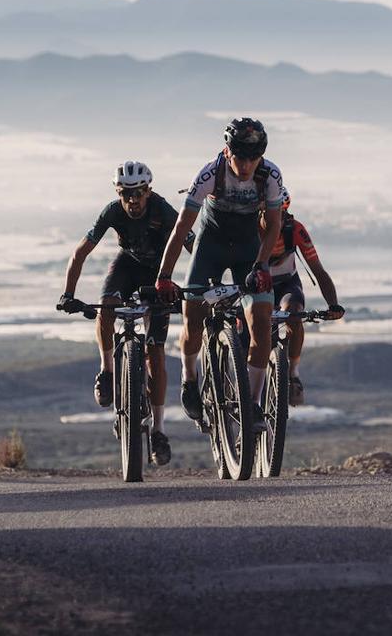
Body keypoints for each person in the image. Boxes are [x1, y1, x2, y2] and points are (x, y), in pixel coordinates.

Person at [57, 160, 193, 466]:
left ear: (149, 190)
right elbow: (80, 252)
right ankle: (106, 371)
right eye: (125, 193)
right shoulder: (112, 212)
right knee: (106, 307)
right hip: (127, 267)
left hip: (159, 274)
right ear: (118, 192)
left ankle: (158, 431)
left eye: (139, 192)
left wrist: (200, 284)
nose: (132, 200)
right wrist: (68, 294)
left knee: (155, 353)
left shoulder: (163, 209)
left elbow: (193, 246)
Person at [154, 118, 285, 428]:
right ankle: (189, 377)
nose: (247, 164)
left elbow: (274, 225)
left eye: (254, 158)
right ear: (228, 152)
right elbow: (181, 228)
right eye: (241, 157)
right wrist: (164, 276)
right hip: (209, 247)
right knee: (192, 314)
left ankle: (251, 403)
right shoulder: (210, 173)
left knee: (263, 321)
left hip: (247, 251)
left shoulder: (270, 175)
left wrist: (261, 265)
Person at [264, 190, 344, 406]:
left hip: (286, 284)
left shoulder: (295, 229)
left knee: (294, 313)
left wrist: (333, 305)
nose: (274, 219)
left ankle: (293, 372)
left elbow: (318, 270)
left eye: (279, 213)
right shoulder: (249, 228)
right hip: (257, 288)